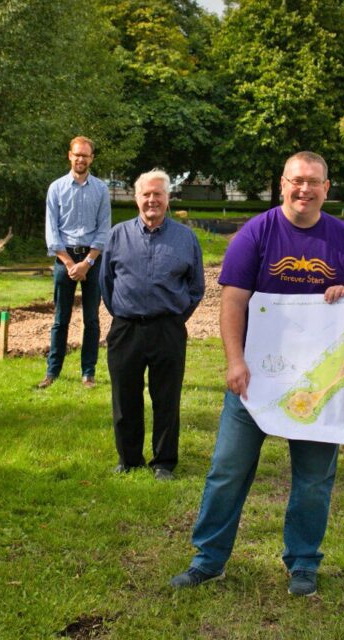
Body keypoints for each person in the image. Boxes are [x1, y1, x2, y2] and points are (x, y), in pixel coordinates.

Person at [169, 151, 344, 597]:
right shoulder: (257, 233)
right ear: (282, 184)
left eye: (313, 182)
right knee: (228, 469)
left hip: (321, 385)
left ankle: (303, 561)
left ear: (327, 187)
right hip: (256, 382)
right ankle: (208, 559)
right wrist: (234, 361)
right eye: (296, 180)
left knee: (314, 478)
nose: (304, 189)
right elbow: (233, 302)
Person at [100, 169, 205, 480]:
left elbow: (195, 286)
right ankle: (129, 458)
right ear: (136, 198)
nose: (151, 200)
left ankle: (163, 462)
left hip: (168, 329)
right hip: (126, 328)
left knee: (166, 399)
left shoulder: (185, 238)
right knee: (124, 397)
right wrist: (124, 311)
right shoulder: (117, 235)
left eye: (158, 194)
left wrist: (174, 317)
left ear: (167, 199)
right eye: (146, 194)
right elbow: (106, 282)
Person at [39, 136, 111, 389]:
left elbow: (104, 230)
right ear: (70, 156)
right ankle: (52, 372)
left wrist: (87, 262)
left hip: (93, 260)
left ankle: (88, 373)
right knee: (61, 319)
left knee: (91, 318)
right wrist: (70, 264)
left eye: (86, 155)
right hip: (64, 260)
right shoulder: (56, 188)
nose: (81, 159)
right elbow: (52, 231)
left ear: (92, 158)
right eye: (77, 154)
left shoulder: (101, 189)